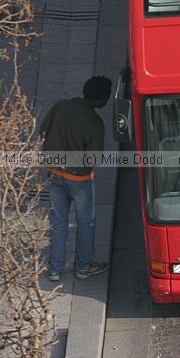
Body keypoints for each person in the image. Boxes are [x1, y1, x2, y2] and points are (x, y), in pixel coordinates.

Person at [40, 75, 112, 282]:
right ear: (101, 100)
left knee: (59, 221)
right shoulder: (95, 123)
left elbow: (42, 130)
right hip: (79, 179)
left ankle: (54, 269)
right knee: (85, 223)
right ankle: (83, 267)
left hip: (54, 173)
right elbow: (94, 157)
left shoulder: (61, 106)